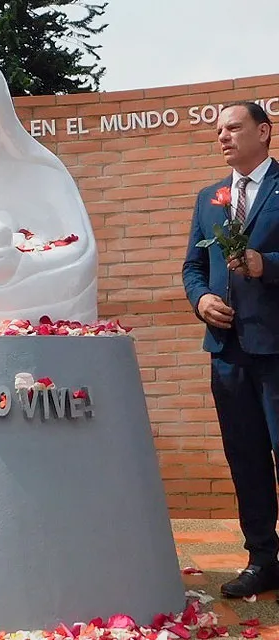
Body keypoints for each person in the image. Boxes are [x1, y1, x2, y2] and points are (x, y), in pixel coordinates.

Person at [182, 101, 279, 599]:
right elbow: (192, 268)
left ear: (264, 132)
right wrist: (202, 301)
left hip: (277, 351)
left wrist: (268, 264)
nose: (222, 137)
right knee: (246, 459)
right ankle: (263, 558)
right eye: (218, 130)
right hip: (228, 353)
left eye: (233, 127)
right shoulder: (209, 198)